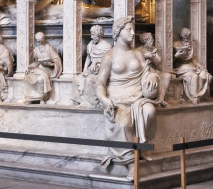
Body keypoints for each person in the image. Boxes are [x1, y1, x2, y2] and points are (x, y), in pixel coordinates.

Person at [96, 17, 160, 167]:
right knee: (124, 124)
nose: (133, 33)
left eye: (133, 30)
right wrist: (104, 99)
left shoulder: (138, 53)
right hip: (118, 100)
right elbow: (100, 81)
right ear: (118, 32)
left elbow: (147, 70)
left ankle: (143, 148)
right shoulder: (109, 55)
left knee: (150, 111)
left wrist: (151, 74)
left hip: (138, 98)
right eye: (128, 30)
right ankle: (131, 163)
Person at [71, 25, 112, 108]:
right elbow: (88, 58)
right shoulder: (90, 44)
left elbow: (109, 61)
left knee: (88, 79)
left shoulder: (107, 46)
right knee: (76, 79)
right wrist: (85, 69)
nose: (91, 36)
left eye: (93, 34)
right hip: (91, 69)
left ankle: (91, 102)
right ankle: (80, 101)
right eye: (91, 34)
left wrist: (96, 62)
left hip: (102, 70)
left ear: (99, 34)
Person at [20, 32, 62, 104]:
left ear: (44, 39)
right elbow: (36, 63)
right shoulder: (36, 49)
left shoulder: (49, 48)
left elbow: (57, 60)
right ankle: (30, 98)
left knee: (40, 79)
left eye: (40, 41)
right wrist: (28, 67)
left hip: (48, 70)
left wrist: (50, 63)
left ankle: (41, 98)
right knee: (28, 76)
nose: (38, 42)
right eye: (37, 41)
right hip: (39, 69)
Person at [173, 28, 212, 104]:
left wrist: (201, 67)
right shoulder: (176, 44)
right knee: (194, 76)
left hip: (191, 66)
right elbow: (169, 60)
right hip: (180, 67)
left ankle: (200, 96)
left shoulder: (191, 45)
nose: (186, 39)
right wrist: (176, 56)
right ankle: (194, 97)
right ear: (181, 36)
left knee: (205, 75)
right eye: (184, 36)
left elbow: (193, 59)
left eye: (188, 37)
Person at [138, 32, 173, 105]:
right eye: (150, 39)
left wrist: (152, 56)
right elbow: (136, 63)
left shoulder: (153, 49)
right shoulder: (139, 50)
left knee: (167, 76)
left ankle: (162, 98)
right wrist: (145, 56)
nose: (152, 41)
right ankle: (153, 100)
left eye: (152, 39)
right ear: (145, 40)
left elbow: (158, 62)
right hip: (145, 72)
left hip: (155, 70)